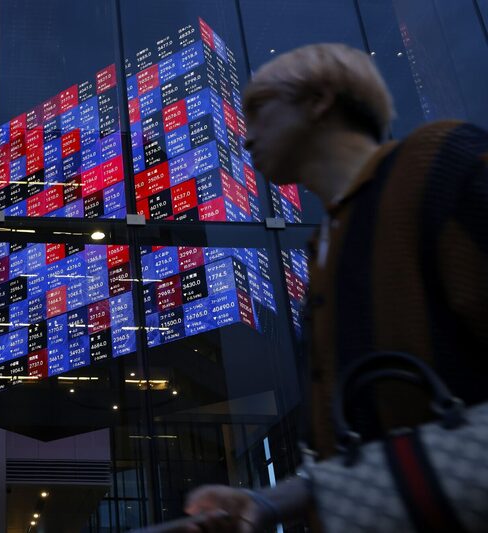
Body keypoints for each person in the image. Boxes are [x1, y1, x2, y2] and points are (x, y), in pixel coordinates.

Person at [181, 43, 488, 532]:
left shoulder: (441, 164)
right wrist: (270, 503)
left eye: (259, 111)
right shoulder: (327, 242)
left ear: (320, 99)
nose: (246, 138)